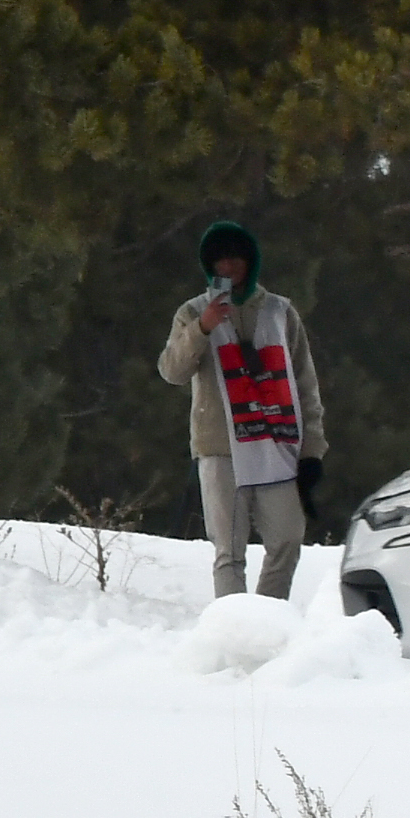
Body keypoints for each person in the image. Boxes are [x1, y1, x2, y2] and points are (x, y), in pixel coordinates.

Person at [158, 221, 328, 599]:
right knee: (229, 552)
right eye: (219, 259)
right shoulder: (192, 311)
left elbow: (305, 383)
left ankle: (267, 617)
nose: (228, 266)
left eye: (236, 257)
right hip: (221, 447)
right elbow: (172, 371)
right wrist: (202, 329)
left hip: (277, 443)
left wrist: (312, 449)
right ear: (209, 265)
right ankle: (233, 625)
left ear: (251, 261)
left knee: (287, 539)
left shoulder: (280, 311)